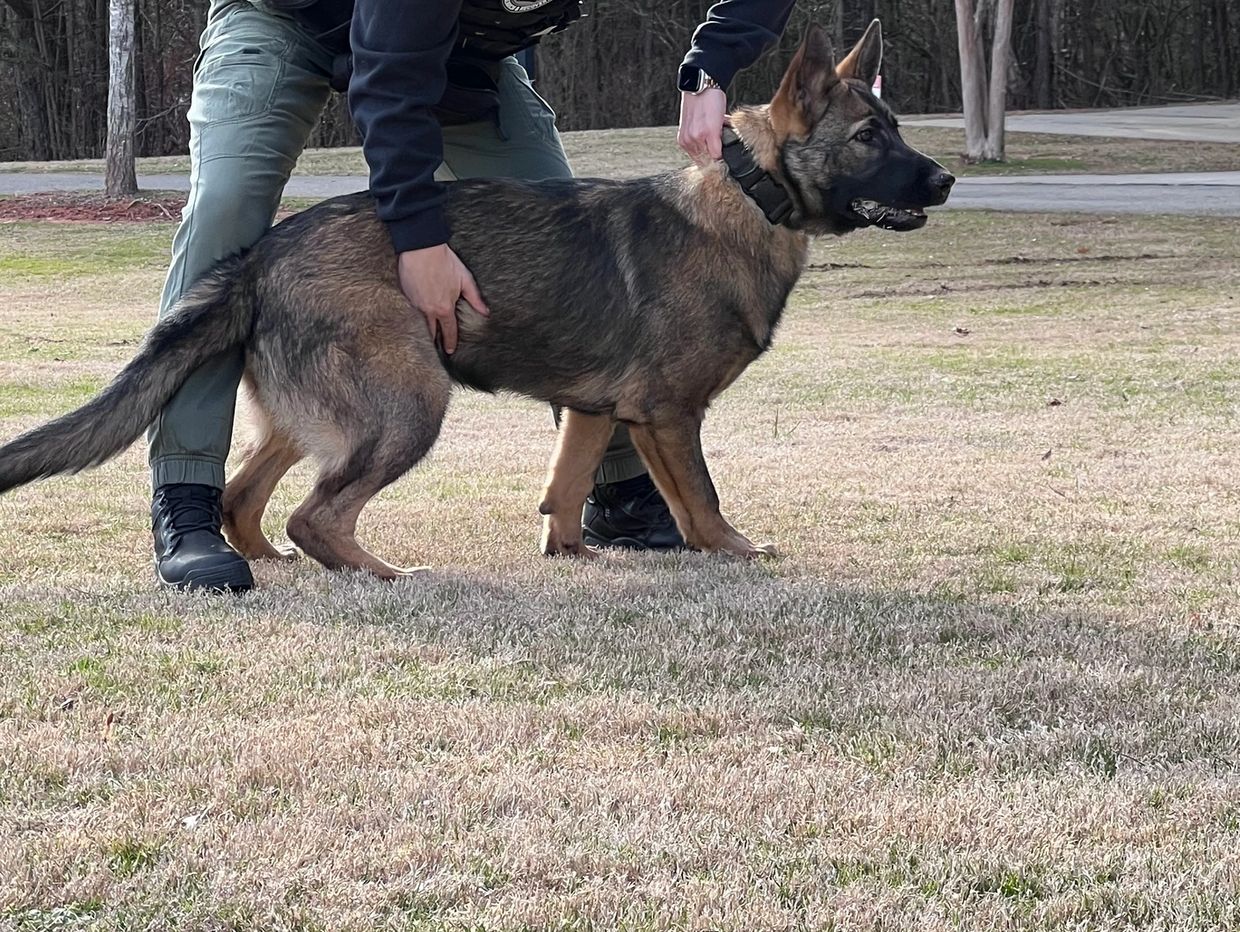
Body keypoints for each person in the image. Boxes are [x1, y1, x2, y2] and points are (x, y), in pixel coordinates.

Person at [149, 0, 797, 591]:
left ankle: (622, 495)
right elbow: (386, 77)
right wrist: (419, 241)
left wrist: (709, 67)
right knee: (226, 205)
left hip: (455, 45)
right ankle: (188, 494)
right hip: (284, 17)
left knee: (575, 251)